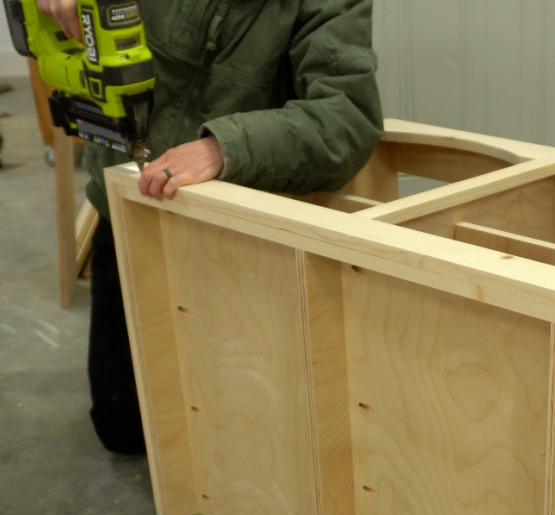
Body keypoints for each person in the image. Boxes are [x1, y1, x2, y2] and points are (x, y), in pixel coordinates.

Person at [37, 0, 384, 454]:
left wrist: (223, 147)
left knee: (250, 430)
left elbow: (347, 118)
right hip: (130, 208)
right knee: (122, 427)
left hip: (233, 224)